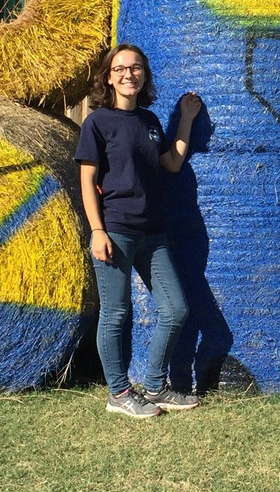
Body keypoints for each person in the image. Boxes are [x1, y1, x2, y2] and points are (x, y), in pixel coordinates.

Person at [75, 43, 203, 418]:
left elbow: (172, 163)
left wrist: (186, 119)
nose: (128, 74)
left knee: (175, 308)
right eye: (120, 69)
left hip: (153, 232)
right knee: (115, 314)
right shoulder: (97, 122)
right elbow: (87, 180)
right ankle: (118, 394)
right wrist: (97, 230)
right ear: (108, 77)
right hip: (115, 229)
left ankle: (155, 385)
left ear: (143, 75)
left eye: (136, 68)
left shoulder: (148, 121)